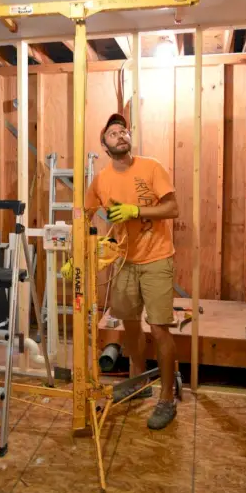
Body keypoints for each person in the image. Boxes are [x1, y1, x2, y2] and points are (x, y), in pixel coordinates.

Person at [85, 113, 179, 430]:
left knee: (159, 327)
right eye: (112, 132)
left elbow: (172, 208)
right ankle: (139, 382)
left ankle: (166, 399)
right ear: (104, 144)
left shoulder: (151, 167)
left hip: (156, 259)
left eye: (123, 130)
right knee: (130, 325)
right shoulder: (101, 180)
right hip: (124, 260)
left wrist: (135, 210)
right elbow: (84, 215)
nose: (120, 135)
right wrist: (79, 251)